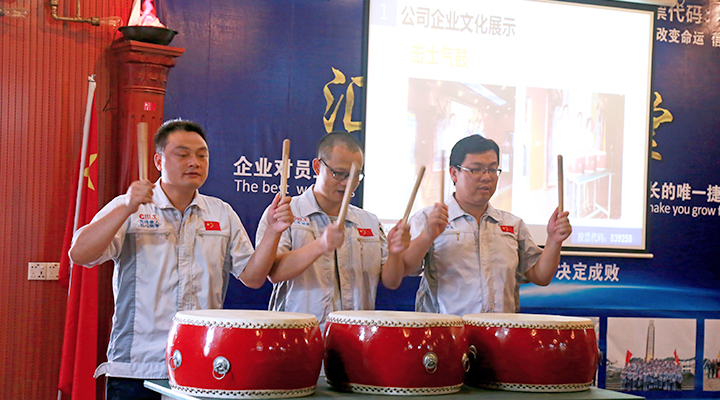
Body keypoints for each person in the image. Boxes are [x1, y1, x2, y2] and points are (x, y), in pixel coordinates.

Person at [68, 119, 293, 400]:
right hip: (138, 365)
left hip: (202, 360)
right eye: (183, 154)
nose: (194, 162)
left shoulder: (221, 212)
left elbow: (253, 277)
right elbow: (80, 254)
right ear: (158, 161)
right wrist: (126, 207)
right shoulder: (131, 207)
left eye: (202, 155)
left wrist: (273, 231)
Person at [401, 135, 572, 316]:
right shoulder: (428, 219)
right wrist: (427, 235)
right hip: (446, 330)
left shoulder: (512, 224)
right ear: (454, 173)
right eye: (476, 170)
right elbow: (406, 268)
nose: (487, 177)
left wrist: (554, 240)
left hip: (501, 330)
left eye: (492, 169)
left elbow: (541, 276)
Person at [256, 131, 410, 329]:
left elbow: (391, 282)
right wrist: (321, 245)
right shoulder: (285, 213)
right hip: (301, 335)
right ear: (317, 167)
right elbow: (274, 273)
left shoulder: (368, 221)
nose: (347, 183)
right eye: (339, 173)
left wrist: (396, 253)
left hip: (355, 335)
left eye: (355, 176)